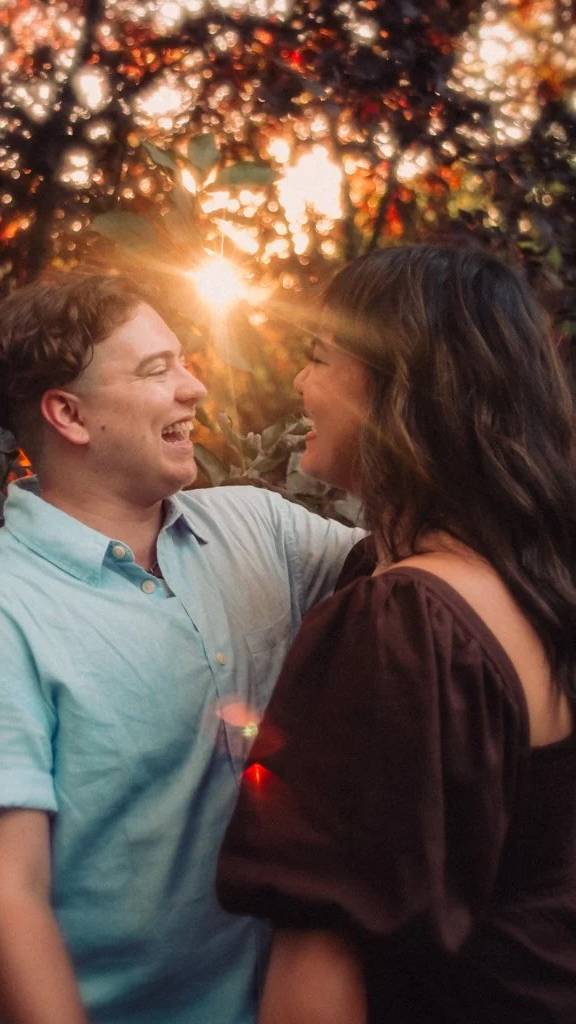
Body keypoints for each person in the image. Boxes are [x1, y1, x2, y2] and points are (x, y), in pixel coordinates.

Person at [0, 273, 363, 1024]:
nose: (195, 389)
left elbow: (422, 577)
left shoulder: (258, 529)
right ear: (68, 414)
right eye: (157, 371)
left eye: (184, 362)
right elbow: (7, 899)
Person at [217, 244, 576, 1024]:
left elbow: (322, 955)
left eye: (318, 357)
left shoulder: (407, 622)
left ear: (397, 384)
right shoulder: (532, 583)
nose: (300, 383)